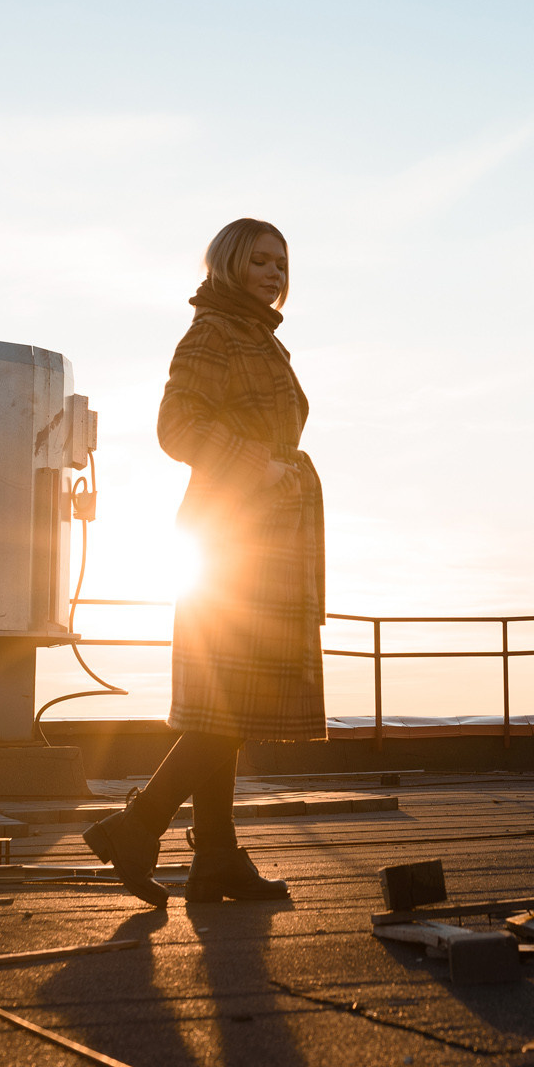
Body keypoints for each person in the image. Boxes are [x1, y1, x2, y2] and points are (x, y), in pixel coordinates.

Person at [82, 217, 326, 906]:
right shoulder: (213, 334)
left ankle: (214, 856)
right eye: (260, 261)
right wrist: (261, 466)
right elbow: (175, 426)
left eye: (282, 262)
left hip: (261, 537)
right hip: (232, 537)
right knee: (228, 704)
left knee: (228, 704)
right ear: (228, 266)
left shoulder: (256, 337)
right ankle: (140, 825)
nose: (275, 272)